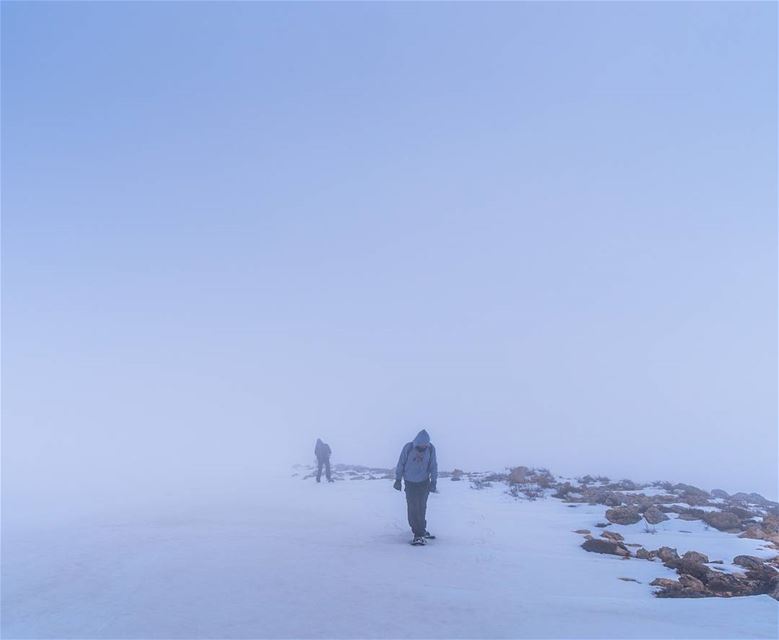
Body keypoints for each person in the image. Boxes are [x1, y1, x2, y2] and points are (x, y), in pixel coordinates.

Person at [394, 429, 438, 545]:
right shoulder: (408, 448)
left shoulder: (431, 449)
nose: (423, 447)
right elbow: (401, 463)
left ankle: (421, 531)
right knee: (413, 508)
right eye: (421, 444)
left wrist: (433, 482)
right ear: (417, 442)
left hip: (424, 482)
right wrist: (398, 480)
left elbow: (433, 466)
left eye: (425, 445)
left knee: (422, 507)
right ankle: (417, 533)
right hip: (410, 482)